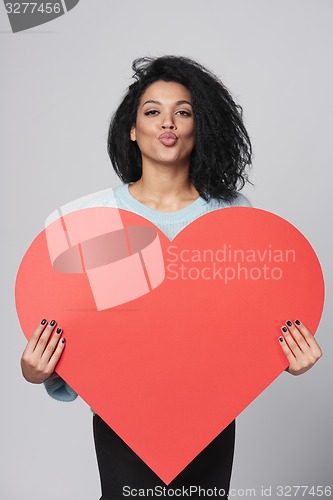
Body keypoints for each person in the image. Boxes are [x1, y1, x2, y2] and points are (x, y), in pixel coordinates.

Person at [21, 56, 322, 499]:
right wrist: (39, 371)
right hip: (122, 420)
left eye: (183, 111)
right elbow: (92, 330)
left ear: (200, 127)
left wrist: (289, 356)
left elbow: (249, 327)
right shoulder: (96, 220)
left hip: (209, 422)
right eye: (152, 111)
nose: (168, 122)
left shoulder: (233, 218)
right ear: (131, 128)